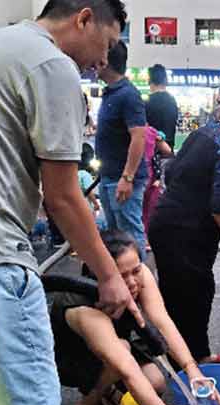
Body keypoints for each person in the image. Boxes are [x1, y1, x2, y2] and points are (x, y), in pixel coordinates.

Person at [0, 1, 143, 405]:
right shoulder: (51, 64)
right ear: (83, 18)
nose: (101, 63)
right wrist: (110, 276)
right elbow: (64, 197)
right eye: (105, 45)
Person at [51, 230, 213, 405]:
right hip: (71, 355)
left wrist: (191, 368)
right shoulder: (84, 308)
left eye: (135, 271)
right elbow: (125, 366)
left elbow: (162, 322)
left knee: (155, 381)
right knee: (123, 350)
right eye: (121, 276)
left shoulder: (138, 273)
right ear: (102, 274)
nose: (132, 282)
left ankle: (106, 389)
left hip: (117, 342)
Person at [149, 73, 220, 366]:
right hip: (186, 234)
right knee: (194, 296)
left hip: (164, 223)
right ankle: (188, 364)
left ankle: (188, 356)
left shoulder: (203, 133)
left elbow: (173, 173)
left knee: (180, 296)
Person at [96, 40, 148, 259]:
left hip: (122, 179)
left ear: (105, 61)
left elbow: (139, 136)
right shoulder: (112, 93)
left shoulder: (128, 95)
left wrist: (127, 177)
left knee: (130, 237)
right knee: (116, 238)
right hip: (109, 177)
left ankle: (143, 284)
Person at [142, 127, 172, 237]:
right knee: (150, 207)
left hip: (136, 176)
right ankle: (146, 237)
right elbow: (167, 150)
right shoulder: (151, 131)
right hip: (152, 176)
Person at [145, 63, 179, 157]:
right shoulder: (172, 101)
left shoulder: (146, 102)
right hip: (168, 152)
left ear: (150, 80)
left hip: (152, 154)